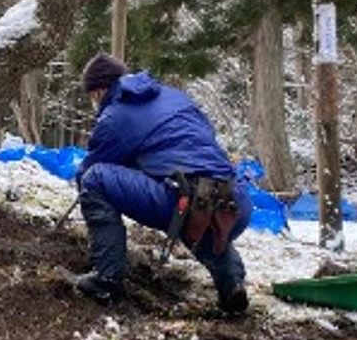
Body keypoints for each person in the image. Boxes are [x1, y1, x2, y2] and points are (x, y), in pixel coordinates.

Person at [72, 52, 253, 314]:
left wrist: (83, 188)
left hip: (182, 199)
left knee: (96, 179)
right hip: (234, 199)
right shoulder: (174, 96)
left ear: (99, 92)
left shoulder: (115, 115)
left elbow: (92, 168)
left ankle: (106, 279)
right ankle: (232, 286)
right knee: (201, 213)